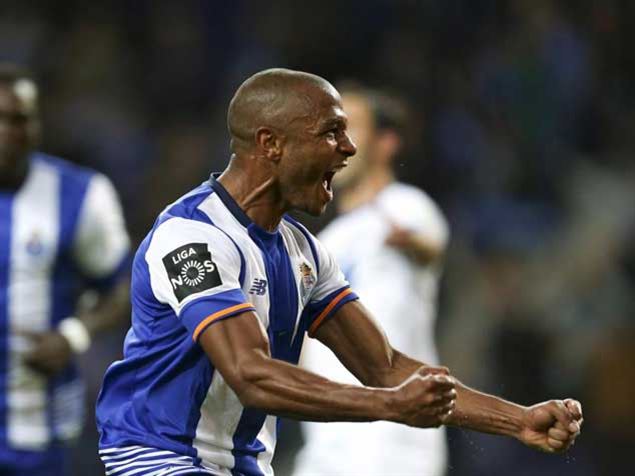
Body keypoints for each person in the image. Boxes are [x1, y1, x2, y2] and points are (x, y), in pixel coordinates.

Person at [96, 68, 582, 476]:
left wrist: (517, 420)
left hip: (242, 465)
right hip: (158, 457)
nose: (348, 149)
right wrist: (388, 407)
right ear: (271, 144)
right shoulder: (192, 237)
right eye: (331, 132)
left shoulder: (304, 251)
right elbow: (251, 374)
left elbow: (385, 367)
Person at [295, 84, 449, 475]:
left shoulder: (405, 206)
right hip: (326, 444)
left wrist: (409, 241)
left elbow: (430, 246)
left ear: (386, 143)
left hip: (394, 444)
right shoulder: (323, 243)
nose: (337, 141)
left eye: (351, 127)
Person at [0, 64, 131, 476]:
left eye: (17, 119)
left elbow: (126, 286)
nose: (5, 131)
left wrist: (73, 336)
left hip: (37, 424)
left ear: (38, 123)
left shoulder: (80, 193)